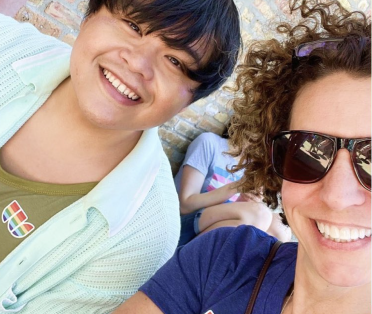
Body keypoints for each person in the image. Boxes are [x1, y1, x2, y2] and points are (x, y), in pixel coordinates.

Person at [0, 0, 241, 312]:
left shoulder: (142, 236)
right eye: (133, 26)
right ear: (89, 15)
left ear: (189, 101)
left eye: (174, 61)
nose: (137, 64)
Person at [113, 0, 371, 313]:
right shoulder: (225, 258)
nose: (337, 197)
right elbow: (184, 202)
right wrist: (235, 191)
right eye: (307, 152)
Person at [175, 127, 291, 246]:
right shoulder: (209, 143)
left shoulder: (253, 169)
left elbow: (236, 219)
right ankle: (185, 257)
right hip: (182, 227)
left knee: (281, 228)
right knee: (260, 214)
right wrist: (236, 187)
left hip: (213, 233)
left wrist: (245, 201)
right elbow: (185, 206)